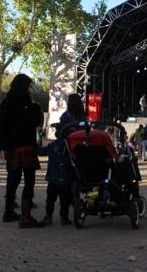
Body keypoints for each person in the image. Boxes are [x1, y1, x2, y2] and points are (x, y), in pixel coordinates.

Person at [0, 74, 44, 228]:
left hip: (11, 147)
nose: (30, 89)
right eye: (29, 86)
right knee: (29, 180)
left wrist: (1, 146)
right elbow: (37, 124)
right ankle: (25, 216)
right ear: (24, 87)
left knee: (12, 179)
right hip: (26, 146)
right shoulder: (28, 105)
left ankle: (8, 212)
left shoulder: (6, 103)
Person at [42, 93, 85, 226]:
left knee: (51, 197)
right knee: (66, 196)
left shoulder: (56, 144)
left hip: (53, 176)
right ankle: (64, 217)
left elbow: (44, 150)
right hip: (72, 163)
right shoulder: (81, 117)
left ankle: (48, 216)